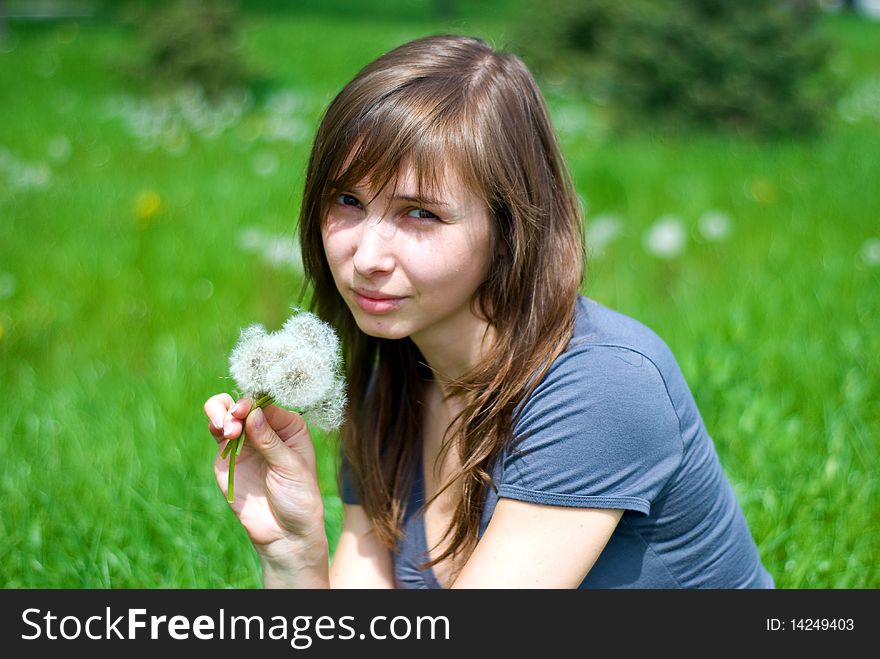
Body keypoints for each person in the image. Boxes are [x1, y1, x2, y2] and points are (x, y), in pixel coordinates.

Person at [203, 34, 774, 589]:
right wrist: (293, 550)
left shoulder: (600, 389)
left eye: (420, 214)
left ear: (507, 231)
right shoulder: (392, 382)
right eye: (347, 201)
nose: (366, 257)